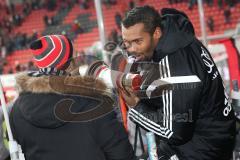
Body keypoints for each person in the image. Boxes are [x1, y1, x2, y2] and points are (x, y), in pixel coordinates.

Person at [120, 5, 236, 160]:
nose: (131, 49)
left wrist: (135, 106)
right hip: (216, 136)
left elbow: (174, 133)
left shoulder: (175, 65)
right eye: (126, 42)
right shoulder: (178, 37)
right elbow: (175, 97)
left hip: (204, 149)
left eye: (137, 41)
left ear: (156, 33)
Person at [9, 35, 136, 160]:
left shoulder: (17, 110)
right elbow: (122, 154)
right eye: (75, 56)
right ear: (68, 65)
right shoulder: (95, 104)